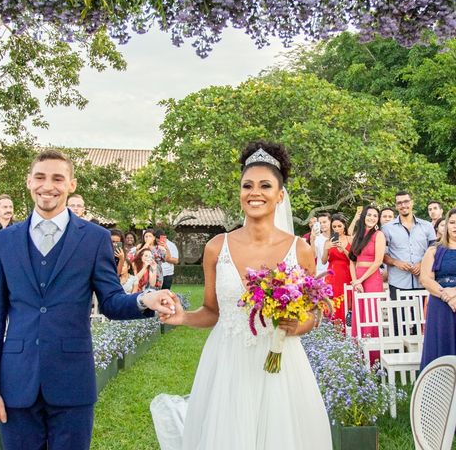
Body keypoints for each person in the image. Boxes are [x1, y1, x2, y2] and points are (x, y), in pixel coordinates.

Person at [0, 149, 175, 450]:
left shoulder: (94, 239)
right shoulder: (4, 242)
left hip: (72, 379)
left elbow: (110, 300)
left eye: (58, 178)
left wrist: (145, 300)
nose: (48, 186)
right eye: (41, 177)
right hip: (17, 380)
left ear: (71, 184)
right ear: (29, 182)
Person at [151, 141, 332, 449]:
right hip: (228, 362)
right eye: (247, 185)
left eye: (265, 185)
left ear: (280, 195)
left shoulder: (299, 250)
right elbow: (211, 311)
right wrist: (183, 317)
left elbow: (315, 312)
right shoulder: (215, 247)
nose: (255, 192)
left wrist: (299, 325)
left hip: (282, 365)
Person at [381, 192, 436, 308]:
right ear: (396, 206)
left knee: (421, 323)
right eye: (399, 203)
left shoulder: (427, 226)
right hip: (398, 282)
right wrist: (396, 262)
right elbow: (382, 255)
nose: (403, 205)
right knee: (398, 322)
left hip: (423, 281)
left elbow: (434, 250)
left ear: (412, 202)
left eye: (406, 201)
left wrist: (422, 264)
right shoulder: (386, 228)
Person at [419, 207, 456, 370]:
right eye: (453, 222)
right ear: (447, 225)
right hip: (440, 306)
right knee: (441, 345)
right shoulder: (434, 250)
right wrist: (446, 296)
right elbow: (425, 279)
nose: (455, 226)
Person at [348, 206, 386, 342]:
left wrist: (361, 280)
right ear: (363, 216)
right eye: (369, 215)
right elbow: (351, 261)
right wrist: (355, 281)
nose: (372, 218)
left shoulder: (379, 235)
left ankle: (373, 356)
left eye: (375, 216)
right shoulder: (356, 236)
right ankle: (357, 353)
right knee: (359, 314)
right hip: (357, 279)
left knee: (371, 314)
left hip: (372, 278)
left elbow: (378, 261)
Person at [321, 213, 352, 323]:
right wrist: (326, 248)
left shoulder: (350, 239)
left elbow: (353, 259)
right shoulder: (328, 241)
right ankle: (335, 334)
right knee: (333, 304)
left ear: (344, 226)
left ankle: (348, 332)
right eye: (334, 227)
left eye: (339, 226)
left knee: (347, 303)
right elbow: (323, 261)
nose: (337, 229)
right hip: (332, 276)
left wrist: (343, 248)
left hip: (346, 274)